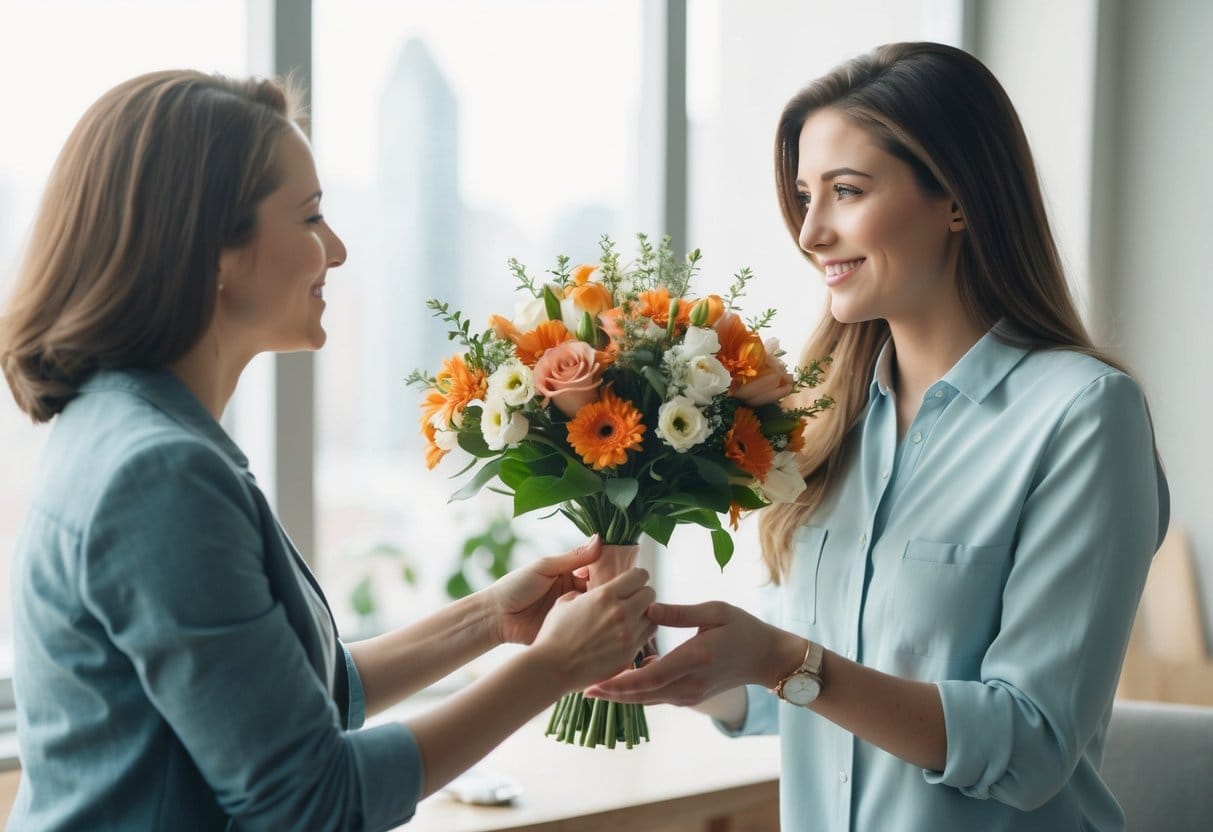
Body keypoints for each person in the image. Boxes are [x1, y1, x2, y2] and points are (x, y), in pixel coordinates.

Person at [0, 70, 656, 830]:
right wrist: (550, 670)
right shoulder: (160, 474)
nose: (336, 251)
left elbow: (281, 705)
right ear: (213, 248)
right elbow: (310, 800)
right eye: (310, 217)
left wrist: (487, 621)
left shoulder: (122, 430)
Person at [587, 41, 1169, 831]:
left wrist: (780, 658)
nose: (811, 232)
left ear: (957, 199)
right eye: (803, 195)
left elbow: (1029, 745)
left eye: (846, 191)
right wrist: (654, 654)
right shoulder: (824, 420)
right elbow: (803, 698)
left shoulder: (1082, 415)